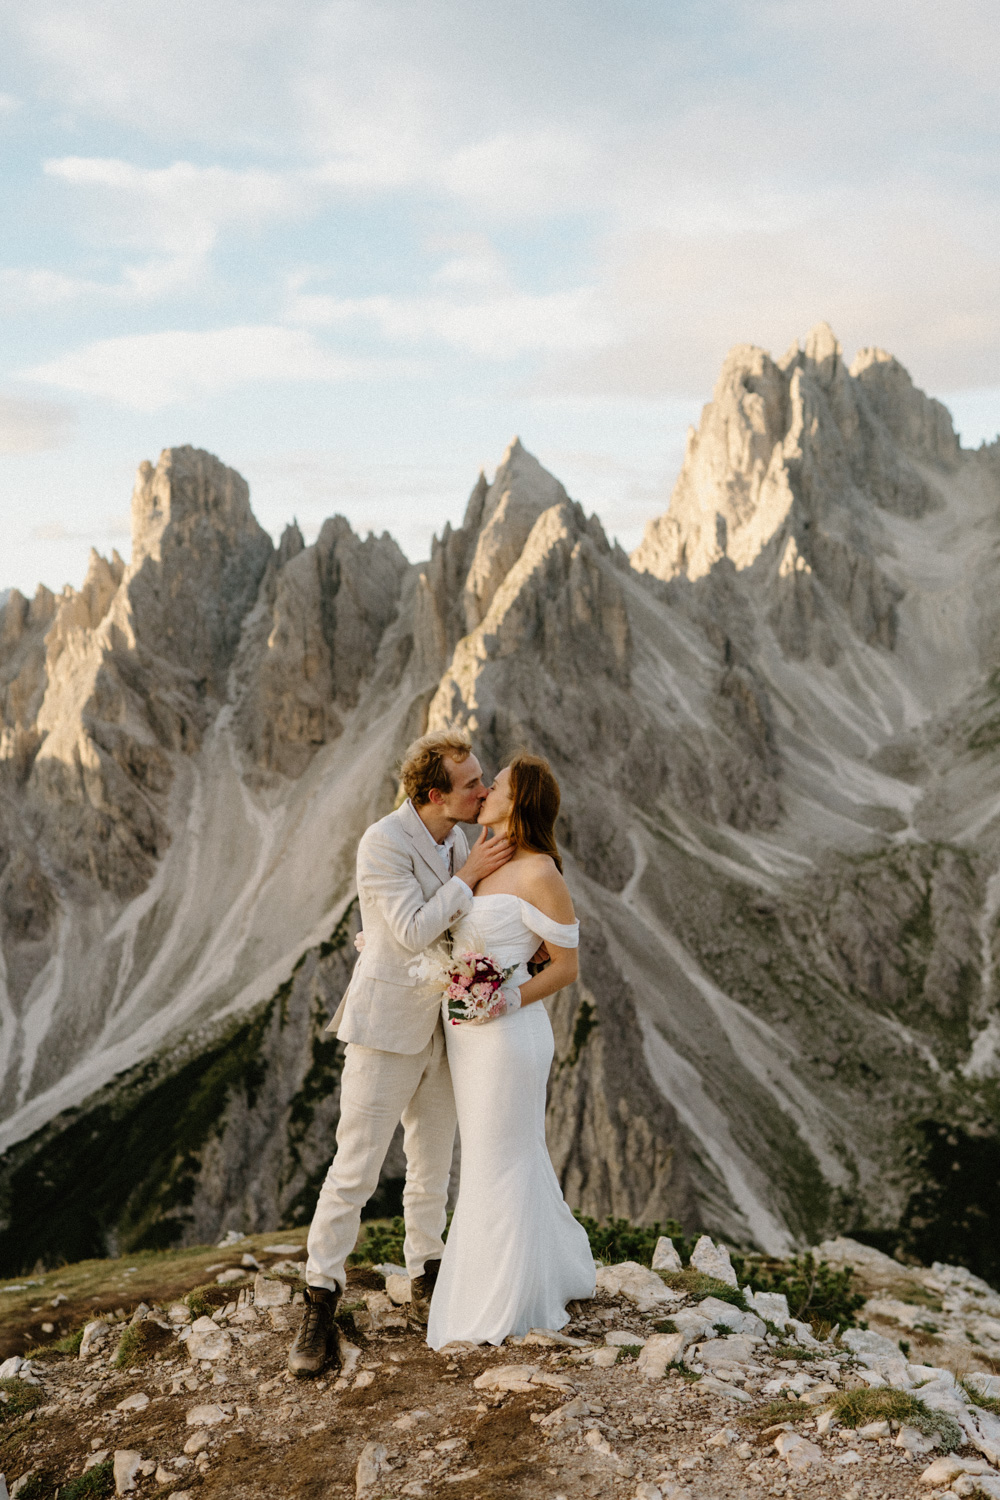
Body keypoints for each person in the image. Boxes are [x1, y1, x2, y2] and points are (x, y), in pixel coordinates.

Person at [288, 730, 513, 1376]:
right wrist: (468, 877)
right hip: (384, 1029)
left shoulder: (458, 838)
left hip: (442, 1029)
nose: (485, 790)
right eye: (472, 784)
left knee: (431, 1165)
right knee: (355, 1170)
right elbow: (413, 930)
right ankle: (320, 1301)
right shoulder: (382, 843)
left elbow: (453, 927)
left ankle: (427, 1277)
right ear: (435, 794)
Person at [426, 753, 596, 1349]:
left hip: (507, 1037)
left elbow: (567, 967)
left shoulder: (540, 873)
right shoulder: (479, 859)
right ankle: (526, 1270)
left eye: (495, 784)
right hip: (467, 1038)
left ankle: (499, 1300)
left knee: (499, 1161)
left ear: (517, 802)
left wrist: (506, 999)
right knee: (486, 1157)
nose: (485, 788)